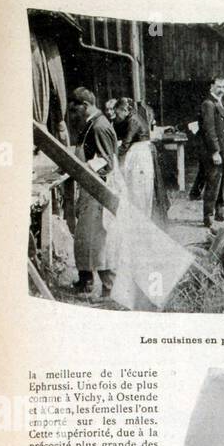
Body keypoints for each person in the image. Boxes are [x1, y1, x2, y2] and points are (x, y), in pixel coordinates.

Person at [68, 87, 122, 300]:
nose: (74, 115)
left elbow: (106, 163)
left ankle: (109, 288)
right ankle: (85, 282)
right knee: (84, 239)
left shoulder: (99, 126)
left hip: (99, 191)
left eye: (76, 109)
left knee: (99, 241)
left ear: (85, 105)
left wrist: (81, 167)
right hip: (89, 188)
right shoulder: (90, 124)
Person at [198, 75, 224, 230]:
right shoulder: (208, 104)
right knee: (213, 185)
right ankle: (208, 217)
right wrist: (215, 152)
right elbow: (209, 130)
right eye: (219, 87)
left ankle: (220, 213)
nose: (221, 90)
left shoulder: (220, 103)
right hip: (215, 153)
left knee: (222, 185)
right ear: (211, 87)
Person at [113, 96, 155, 218]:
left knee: (138, 186)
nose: (117, 116)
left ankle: (140, 216)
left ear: (124, 110)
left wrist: (113, 154)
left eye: (118, 113)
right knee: (138, 186)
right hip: (139, 151)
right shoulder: (135, 117)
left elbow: (127, 142)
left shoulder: (133, 120)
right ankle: (141, 215)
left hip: (139, 153)